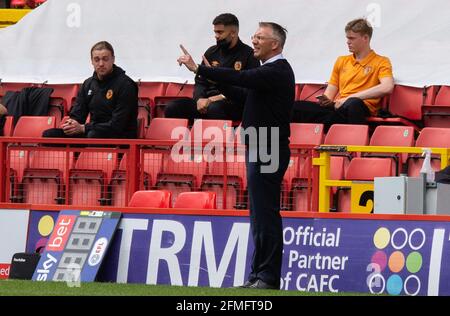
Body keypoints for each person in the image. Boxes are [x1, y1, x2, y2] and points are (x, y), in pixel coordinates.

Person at [178, 22, 295, 289]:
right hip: (260, 145)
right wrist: (209, 76)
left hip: (268, 147)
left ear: (274, 44)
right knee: (259, 214)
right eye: (254, 36)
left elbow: (242, 80)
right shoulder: (268, 72)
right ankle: (258, 275)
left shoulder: (277, 71)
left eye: (259, 37)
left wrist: (202, 69)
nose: (253, 41)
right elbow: (242, 93)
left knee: (265, 214)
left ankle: (267, 277)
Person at [291, 18, 394, 130]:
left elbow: (387, 87)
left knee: (353, 103)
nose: (348, 42)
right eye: (347, 38)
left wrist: (349, 98)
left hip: (360, 108)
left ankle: (353, 139)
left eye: (352, 38)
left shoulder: (381, 61)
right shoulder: (342, 60)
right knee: (295, 106)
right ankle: (275, 144)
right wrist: (326, 101)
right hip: (339, 108)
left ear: (365, 38)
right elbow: (329, 95)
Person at [164, 13, 259, 122]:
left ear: (233, 33)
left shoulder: (249, 55)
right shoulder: (211, 52)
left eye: (220, 32)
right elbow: (200, 81)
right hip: (205, 102)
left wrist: (213, 99)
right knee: (173, 107)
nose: (216, 36)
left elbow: (247, 92)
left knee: (214, 109)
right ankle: (184, 138)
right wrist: (199, 99)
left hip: (232, 103)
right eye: (215, 32)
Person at [43, 41, 138, 139]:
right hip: (92, 131)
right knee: (49, 135)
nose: (101, 64)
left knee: (93, 135)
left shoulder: (126, 85)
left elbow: (118, 124)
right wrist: (71, 123)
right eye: (97, 60)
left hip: (120, 136)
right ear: (92, 61)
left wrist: (84, 128)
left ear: (113, 59)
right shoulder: (88, 84)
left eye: (105, 59)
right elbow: (78, 115)